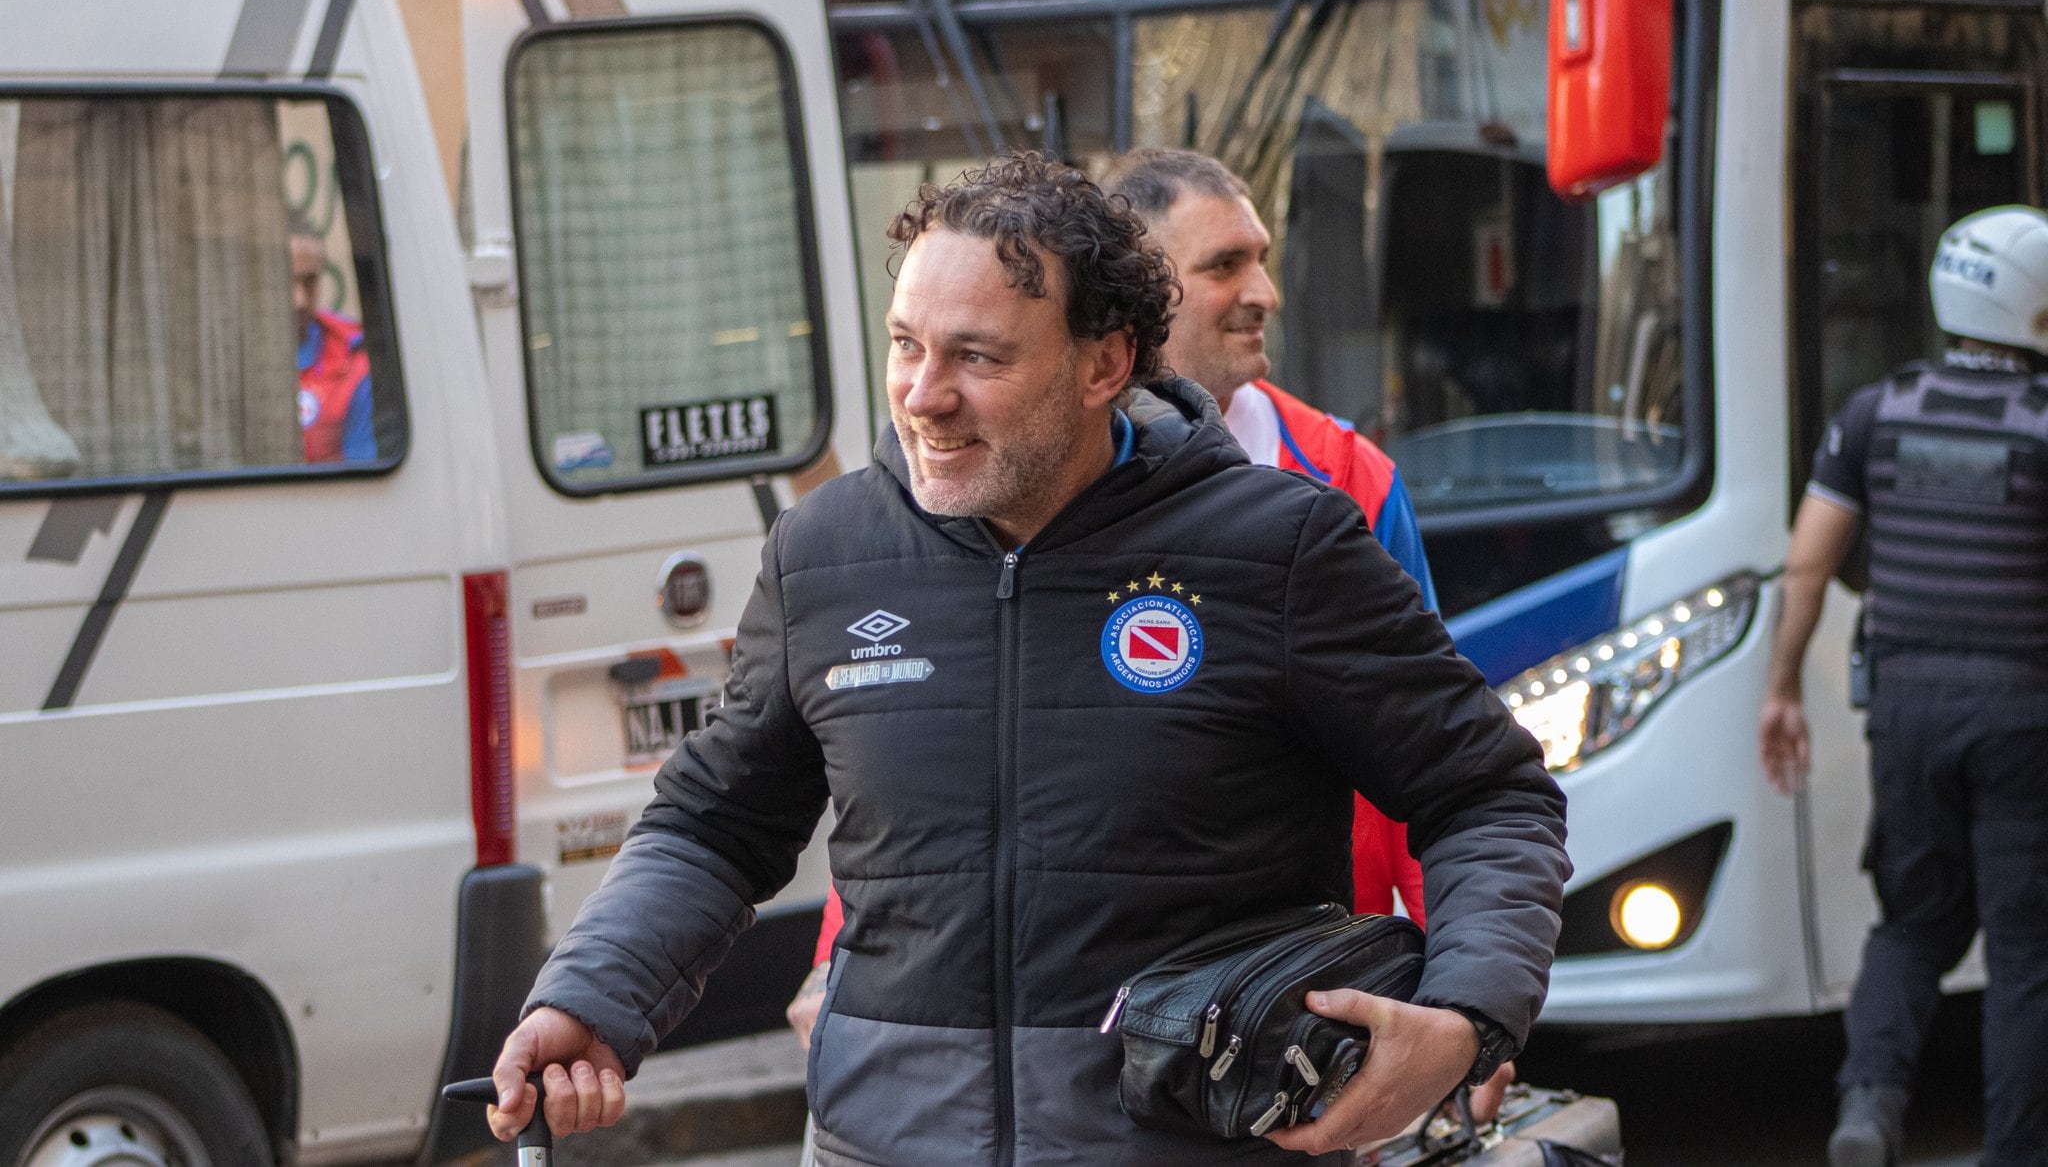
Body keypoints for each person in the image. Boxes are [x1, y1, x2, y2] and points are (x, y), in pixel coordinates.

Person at [489, 152, 1568, 1163]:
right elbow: (712, 827)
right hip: (883, 1143)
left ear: (1103, 363)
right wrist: (587, 998)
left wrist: (1462, 1017)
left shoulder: (1278, 547)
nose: (922, 394)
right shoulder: (825, 554)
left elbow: (1488, 793)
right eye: (906, 343)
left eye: (977, 356)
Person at [787, 148, 1437, 1055]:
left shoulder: (1342, 482)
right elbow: (924, 777)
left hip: (1295, 1015)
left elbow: (1435, 763)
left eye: (1261, 258)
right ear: (1141, 295)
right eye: (1224, 265)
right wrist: (838, 960)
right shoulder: (966, 490)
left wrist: (1455, 998)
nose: (1264, 291)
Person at [1759, 206, 2048, 1167]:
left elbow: (1807, 570)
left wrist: (1783, 689)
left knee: (1914, 922)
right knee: (2025, 953)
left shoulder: (1874, 413)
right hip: (2023, 715)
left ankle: (1869, 1110)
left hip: (1905, 708)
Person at [290, 219, 374, 463]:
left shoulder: (354, 356)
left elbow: (362, 473)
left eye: (309, 281)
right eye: (286, 280)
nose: (300, 300)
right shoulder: (228, 358)